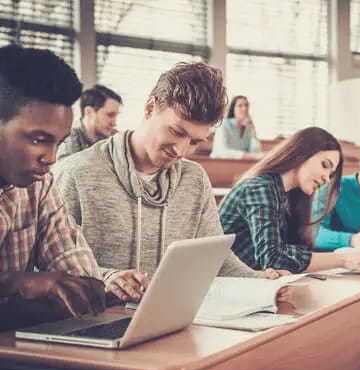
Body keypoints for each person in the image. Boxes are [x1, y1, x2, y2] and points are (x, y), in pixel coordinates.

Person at [54, 62, 285, 303]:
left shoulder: (193, 179)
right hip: (93, 324)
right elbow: (52, 270)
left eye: (195, 141)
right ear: (150, 107)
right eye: (177, 132)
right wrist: (107, 277)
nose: (181, 150)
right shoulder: (76, 173)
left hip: (168, 319)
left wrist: (263, 282)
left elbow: (217, 261)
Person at [0, 45, 105, 332]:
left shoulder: (40, 184)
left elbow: (81, 278)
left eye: (58, 142)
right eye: (38, 139)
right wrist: (13, 284)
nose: (51, 158)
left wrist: (82, 287)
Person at [218, 126, 360, 274]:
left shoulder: (286, 195)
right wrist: (344, 260)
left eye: (331, 174)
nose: (326, 179)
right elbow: (272, 258)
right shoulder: (260, 187)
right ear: (301, 155)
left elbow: (287, 255)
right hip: (222, 288)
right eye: (325, 165)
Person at [56, 84, 122, 160]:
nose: (114, 123)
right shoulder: (68, 138)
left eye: (116, 116)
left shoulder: (107, 139)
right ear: (89, 112)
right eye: (110, 115)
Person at [210, 95, 262, 159]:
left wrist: (253, 131)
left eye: (246, 105)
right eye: (240, 106)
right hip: (218, 163)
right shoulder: (223, 125)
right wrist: (247, 156)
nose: (244, 108)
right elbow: (221, 152)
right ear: (233, 109)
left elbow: (256, 152)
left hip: (239, 164)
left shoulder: (248, 127)